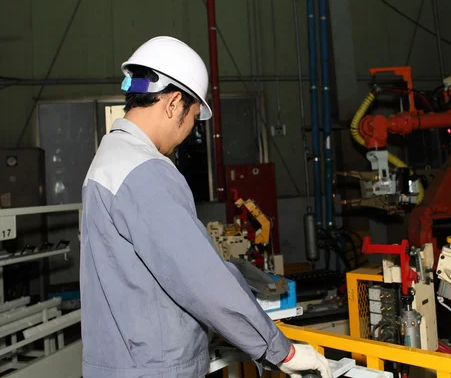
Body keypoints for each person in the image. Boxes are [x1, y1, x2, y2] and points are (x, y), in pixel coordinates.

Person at [80, 36, 332, 378]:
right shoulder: (144, 171)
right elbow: (204, 281)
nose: (187, 134)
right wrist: (282, 352)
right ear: (172, 104)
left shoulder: (107, 160)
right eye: (192, 119)